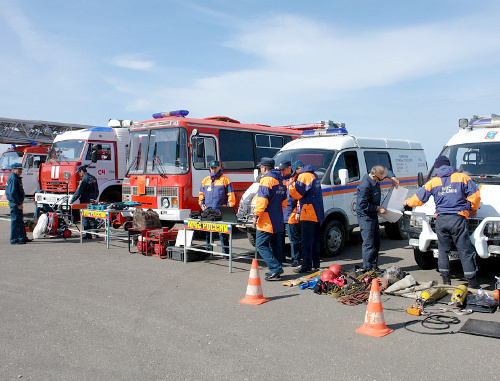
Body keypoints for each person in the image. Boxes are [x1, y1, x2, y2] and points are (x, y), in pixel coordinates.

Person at [404, 155, 481, 287]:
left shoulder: (433, 182)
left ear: (438, 167)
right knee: (464, 251)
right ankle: (472, 283)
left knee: (443, 250)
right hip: (458, 219)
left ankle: (446, 281)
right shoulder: (462, 178)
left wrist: (407, 202)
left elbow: (419, 199)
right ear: (450, 166)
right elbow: (475, 196)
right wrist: (472, 208)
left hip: (441, 219)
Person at [356, 165, 399, 271]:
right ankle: (367, 268)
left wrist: (392, 178)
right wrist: (377, 208)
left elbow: (387, 171)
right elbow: (362, 205)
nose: (383, 180)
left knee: (376, 241)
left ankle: (374, 266)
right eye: (381, 179)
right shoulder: (365, 186)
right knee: (369, 242)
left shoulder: (377, 175)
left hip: (373, 215)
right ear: (374, 176)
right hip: (365, 216)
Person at [253, 157, 286, 281]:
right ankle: (276, 269)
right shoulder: (280, 180)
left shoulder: (266, 180)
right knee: (275, 244)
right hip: (277, 217)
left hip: (267, 219)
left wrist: (256, 215)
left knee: (260, 244)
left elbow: (262, 201)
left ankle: (275, 268)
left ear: (264, 168)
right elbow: (285, 201)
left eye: (261, 167)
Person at [289, 163, 325, 273]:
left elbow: (297, 194)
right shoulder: (314, 175)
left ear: (298, 169)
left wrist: (291, 185)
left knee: (306, 241)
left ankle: (306, 265)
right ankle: (315, 263)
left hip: (308, 212)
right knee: (315, 240)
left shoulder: (304, 176)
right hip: (316, 211)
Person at [198, 160, 235, 254]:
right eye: (211, 168)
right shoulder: (205, 180)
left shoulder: (225, 180)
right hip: (208, 212)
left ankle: (225, 253)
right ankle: (208, 252)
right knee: (208, 233)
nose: (213, 169)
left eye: (215, 167)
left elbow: (231, 195)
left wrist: (228, 209)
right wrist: (202, 205)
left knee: (222, 233)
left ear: (219, 167)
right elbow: (201, 194)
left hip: (220, 212)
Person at [280, 160, 302, 267]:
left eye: (284, 169)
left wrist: (298, 211)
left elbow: (299, 199)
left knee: (293, 238)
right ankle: (281, 257)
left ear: (289, 168)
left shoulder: (295, 179)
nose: (282, 172)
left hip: (291, 213)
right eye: (281, 170)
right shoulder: (280, 180)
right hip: (281, 213)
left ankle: (296, 258)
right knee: (280, 238)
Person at [70, 165, 99, 239]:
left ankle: (87, 234)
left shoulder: (84, 179)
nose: (79, 174)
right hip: (92, 200)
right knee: (92, 216)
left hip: (85, 200)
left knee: (85, 217)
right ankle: (95, 233)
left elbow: (79, 191)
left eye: (79, 173)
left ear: (82, 171)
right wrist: (94, 198)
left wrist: (72, 200)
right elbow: (97, 190)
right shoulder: (93, 178)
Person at [5, 163, 29, 244]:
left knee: (20, 221)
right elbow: (12, 193)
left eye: (21, 169)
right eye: (18, 169)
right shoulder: (14, 179)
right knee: (15, 221)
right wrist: (18, 203)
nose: (20, 171)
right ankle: (14, 239)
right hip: (15, 203)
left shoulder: (16, 178)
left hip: (16, 202)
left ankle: (22, 237)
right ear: (14, 169)